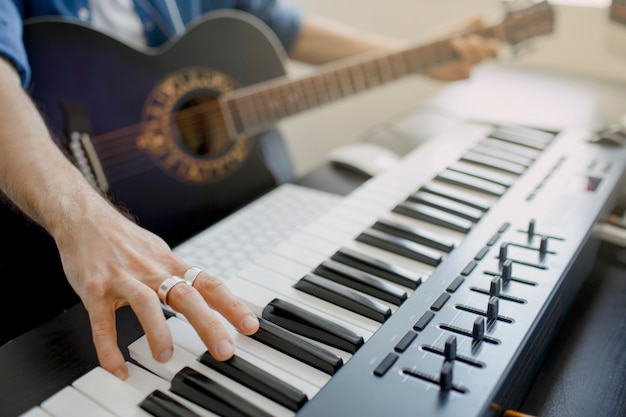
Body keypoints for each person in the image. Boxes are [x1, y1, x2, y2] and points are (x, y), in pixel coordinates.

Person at [0, 0, 498, 380]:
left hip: (232, 213)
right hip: (66, 262)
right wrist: (84, 218)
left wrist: (415, 58)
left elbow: (280, 27)